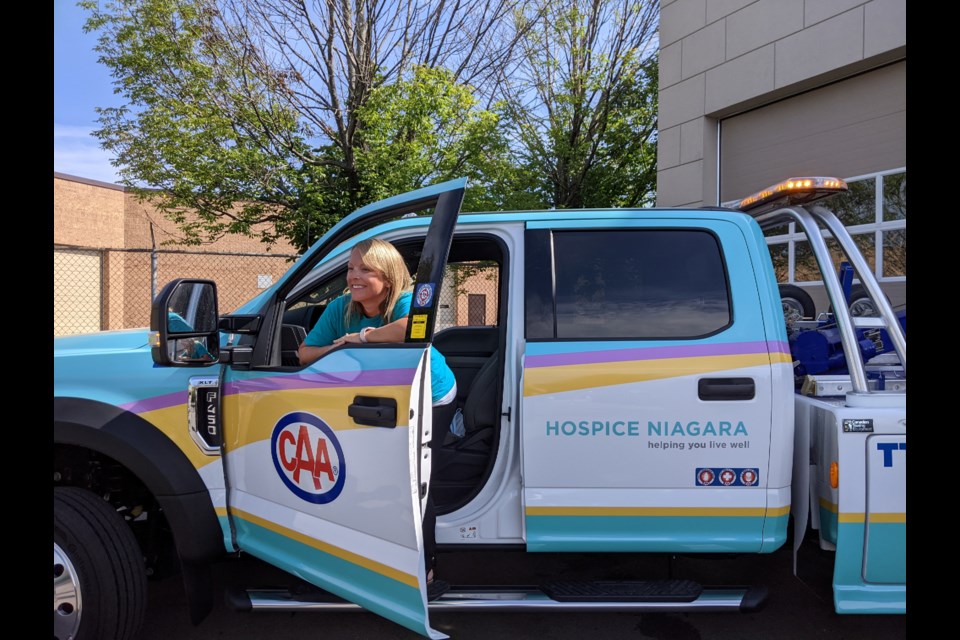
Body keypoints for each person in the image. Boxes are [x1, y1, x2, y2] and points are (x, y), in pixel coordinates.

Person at [298, 238, 456, 601]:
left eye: (365, 269)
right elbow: (305, 353)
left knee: (415, 480)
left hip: (430, 395)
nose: (354, 276)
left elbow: (414, 327)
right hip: (377, 398)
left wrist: (362, 337)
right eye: (351, 268)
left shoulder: (406, 299)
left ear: (387, 274)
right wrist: (340, 346)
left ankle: (424, 570)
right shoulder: (341, 307)